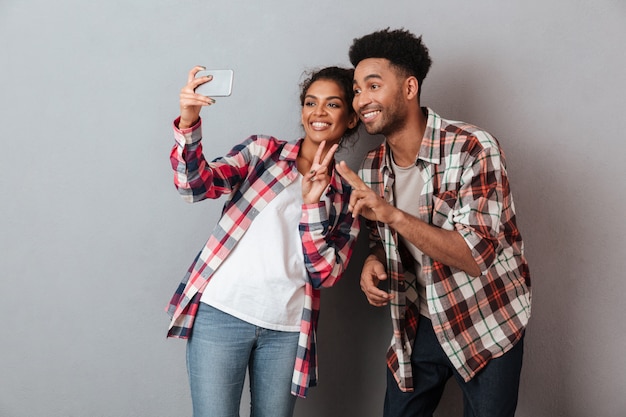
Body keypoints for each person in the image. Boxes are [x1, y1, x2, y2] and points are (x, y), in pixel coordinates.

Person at [335, 28, 532, 417]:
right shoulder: (374, 167)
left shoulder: (473, 147)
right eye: (357, 89)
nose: (361, 100)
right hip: (418, 321)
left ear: (410, 87)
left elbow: (475, 256)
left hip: (485, 318)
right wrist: (374, 260)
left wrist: (391, 213)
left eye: (373, 85)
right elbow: (383, 237)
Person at [165, 65, 360, 417]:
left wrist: (313, 204)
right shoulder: (262, 153)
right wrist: (189, 121)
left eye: (332, 104)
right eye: (311, 102)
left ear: (350, 119)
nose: (318, 112)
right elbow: (194, 186)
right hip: (222, 312)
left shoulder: (347, 194)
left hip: (286, 330)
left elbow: (324, 275)